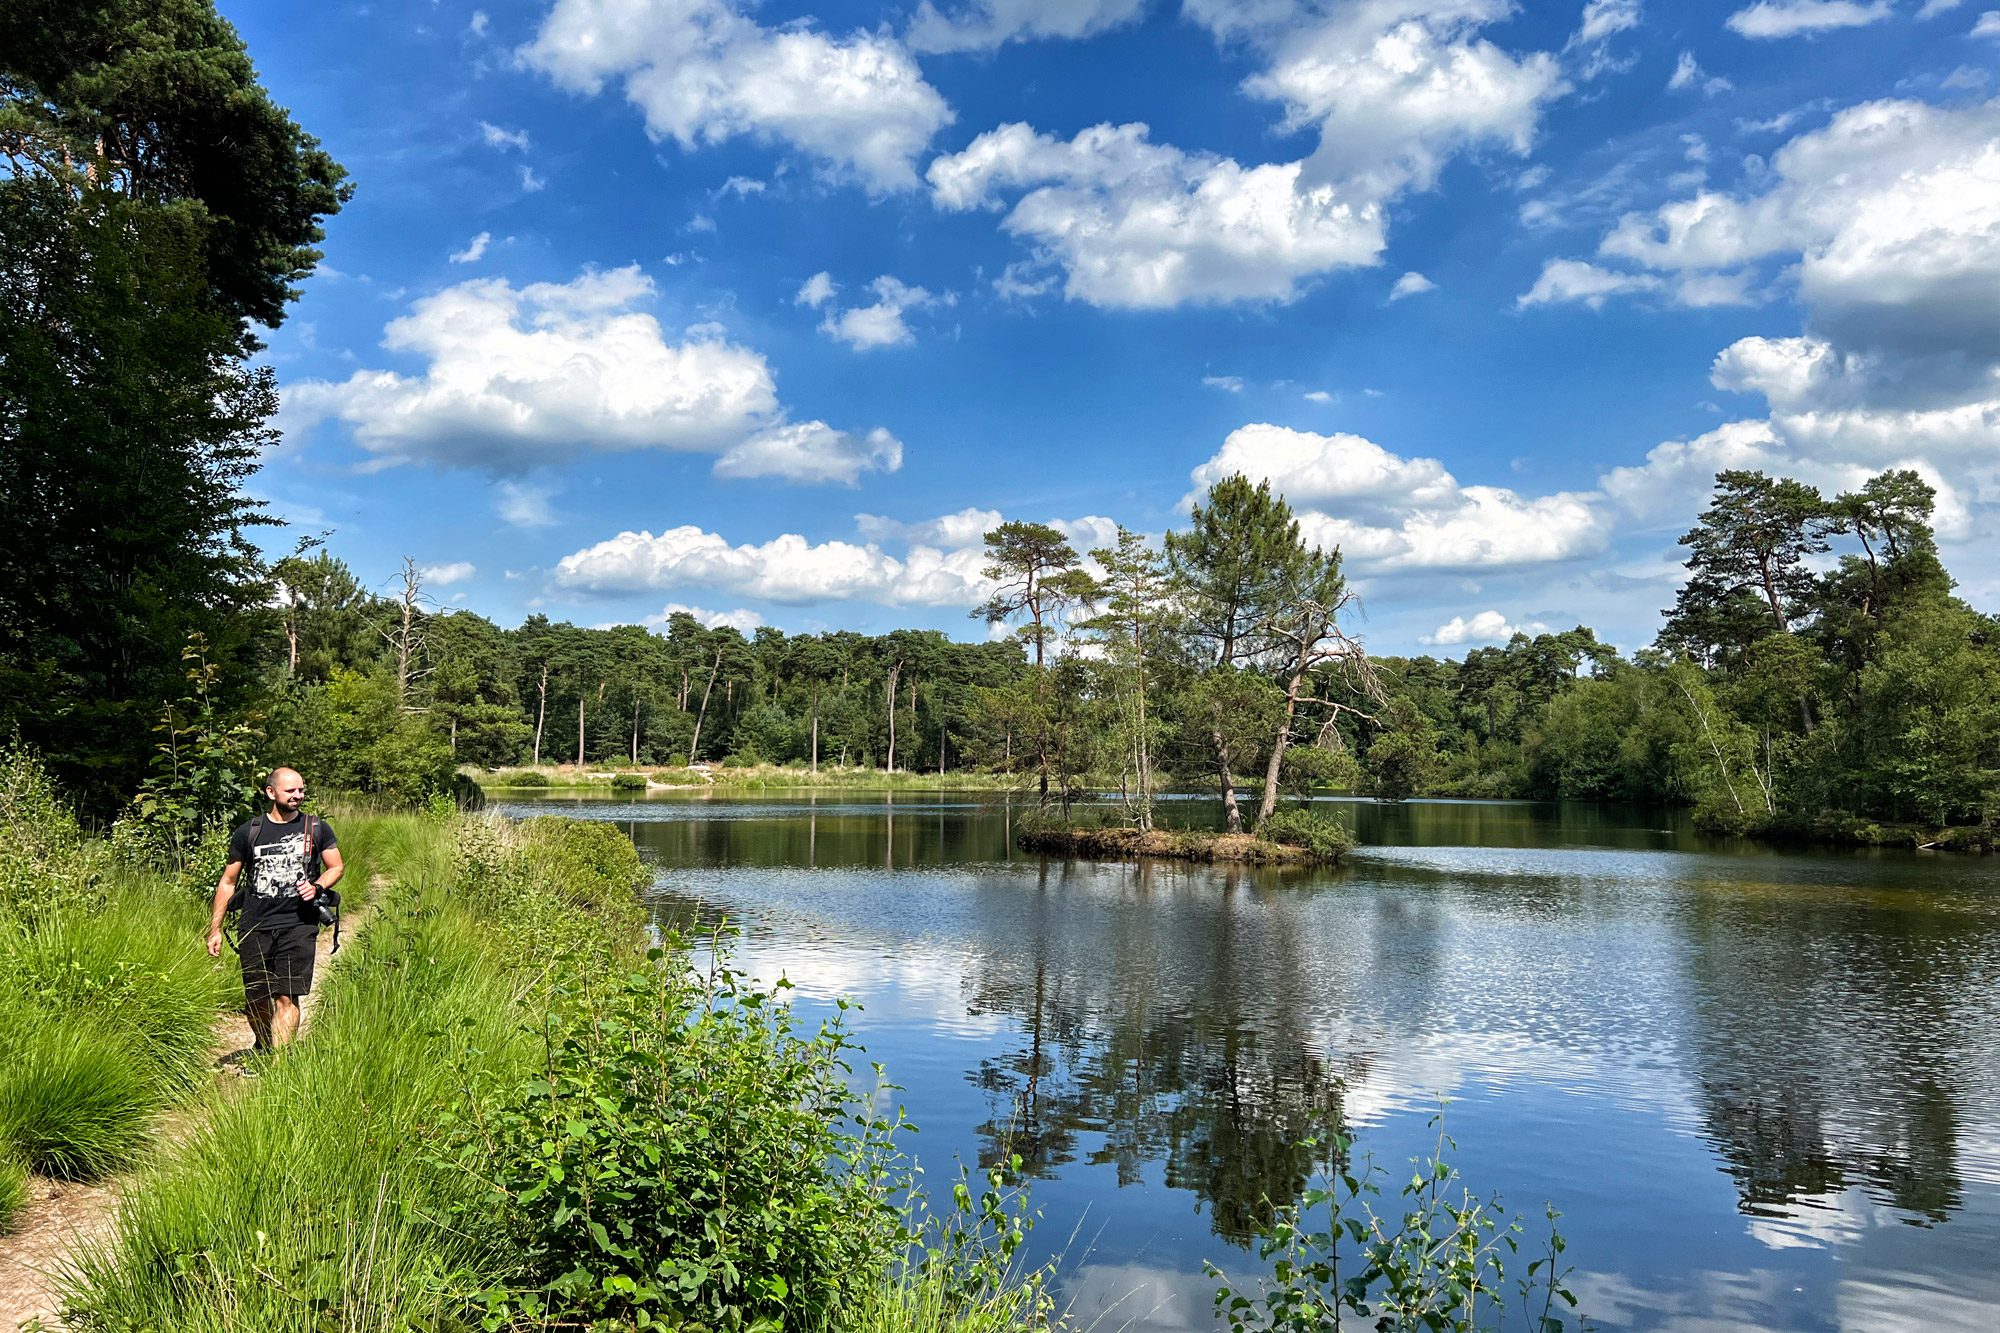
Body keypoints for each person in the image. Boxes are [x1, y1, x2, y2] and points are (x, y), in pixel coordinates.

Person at [207, 768, 344, 1051]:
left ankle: (279, 1069)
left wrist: (317, 886)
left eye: (301, 790)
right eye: (291, 791)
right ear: (271, 793)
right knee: (256, 997)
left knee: (286, 996)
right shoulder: (249, 832)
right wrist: (215, 929)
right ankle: (264, 1045)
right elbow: (228, 881)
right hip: (255, 925)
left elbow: (336, 867)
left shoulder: (316, 828)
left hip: (299, 923)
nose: (298, 795)